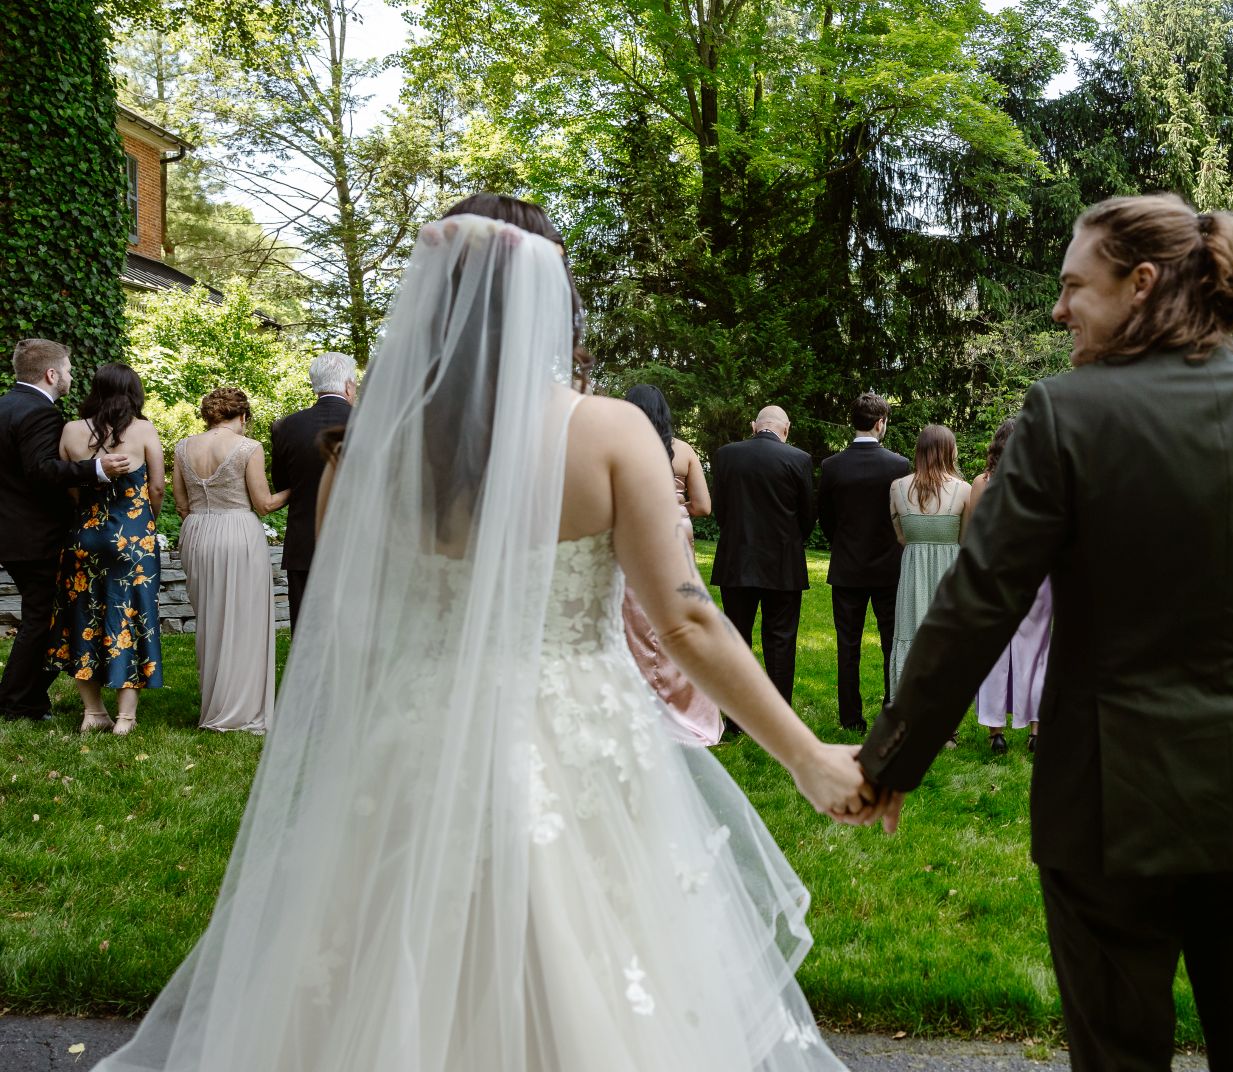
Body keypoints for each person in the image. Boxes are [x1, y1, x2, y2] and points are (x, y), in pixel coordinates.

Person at [94, 194, 862, 1072]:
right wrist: (807, 756)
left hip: (410, 749)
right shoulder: (608, 431)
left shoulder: (371, 449)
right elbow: (686, 619)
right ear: (549, 298)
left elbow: (351, 624)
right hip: (578, 758)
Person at [852, 195, 1233, 1072]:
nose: (1058, 310)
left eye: (1072, 286)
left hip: (1107, 810)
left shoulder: (1063, 413)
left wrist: (889, 762)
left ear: (1141, 283)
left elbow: (981, 603)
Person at [0, 339, 131, 723]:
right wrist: (97, 470)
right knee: (44, 618)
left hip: (11, 532)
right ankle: (17, 702)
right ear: (51, 374)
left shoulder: (4, 405)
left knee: (40, 616)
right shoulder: (40, 412)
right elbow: (41, 470)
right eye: (69, 370)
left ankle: (21, 698)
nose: (72, 377)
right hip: (36, 534)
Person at [47, 363, 166, 735]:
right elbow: (158, 488)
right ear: (133, 391)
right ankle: (126, 718)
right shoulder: (143, 429)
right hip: (133, 538)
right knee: (132, 616)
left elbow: (70, 486)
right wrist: (146, 521)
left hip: (84, 537)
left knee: (83, 617)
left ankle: (93, 712)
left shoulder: (70, 430)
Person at [171, 387, 288, 734]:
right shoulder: (248, 448)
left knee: (211, 619)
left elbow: (181, 503)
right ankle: (239, 709)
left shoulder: (182, 447)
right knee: (244, 621)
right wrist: (299, 487)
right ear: (243, 416)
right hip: (237, 533)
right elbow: (264, 504)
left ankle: (215, 704)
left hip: (196, 533)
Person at [618, 383, 724, 746]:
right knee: (680, 615)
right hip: (678, 532)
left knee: (633, 617)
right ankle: (684, 707)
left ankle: (636, 702)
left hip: (634, 533)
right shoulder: (683, 451)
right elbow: (704, 506)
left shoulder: (621, 446)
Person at [709, 404, 815, 707]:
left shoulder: (726, 455)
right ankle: (778, 712)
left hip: (736, 561)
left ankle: (736, 714)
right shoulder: (799, 459)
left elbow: (721, 509)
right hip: (782, 564)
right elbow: (807, 516)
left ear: (755, 425)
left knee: (737, 639)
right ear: (786, 428)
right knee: (780, 640)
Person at [816, 392, 910, 731]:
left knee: (848, 646)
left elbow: (825, 517)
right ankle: (890, 707)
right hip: (888, 568)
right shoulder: (898, 465)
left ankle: (850, 718)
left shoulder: (832, 465)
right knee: (891, 643)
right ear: (880, 422)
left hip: (847, 567)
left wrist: (842, 543)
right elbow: (903, 515)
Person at [968, 418, 1049, 755]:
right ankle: (1036, 730)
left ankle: (996, 731)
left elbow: (973, 535)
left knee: (994, 651)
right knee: (1038, 653)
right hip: (1037, 575)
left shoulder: (982, 483)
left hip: (995, 572)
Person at [271, 352, 356, 628]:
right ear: (348, 386)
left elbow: (282, 485)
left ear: (315, 385)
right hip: (359, 543)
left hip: (304, 544)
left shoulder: (286, 427)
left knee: (307, 629)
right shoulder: (371, 422)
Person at [887, 424, 970, 696]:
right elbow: (965, 538)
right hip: (949, 574)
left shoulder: (898, 487)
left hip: (913, 573)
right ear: (949, 451)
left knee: (911, 637)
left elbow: (901, 537)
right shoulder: (963, 490)